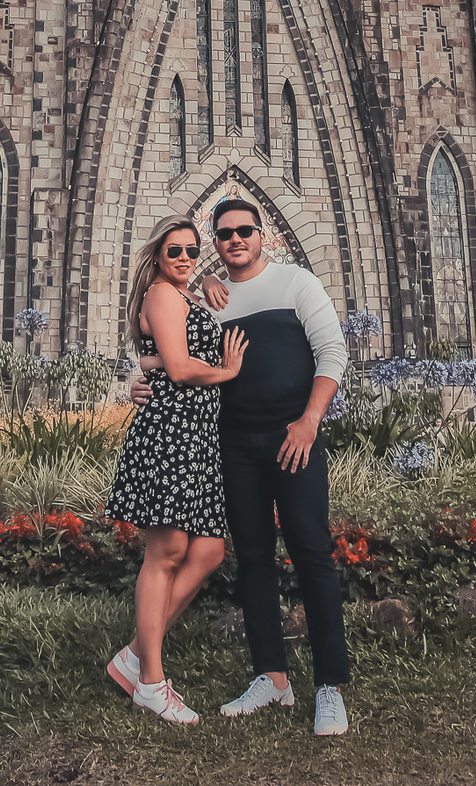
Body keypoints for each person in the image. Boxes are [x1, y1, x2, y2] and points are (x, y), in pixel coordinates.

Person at [130, 197, 352, 738]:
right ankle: (271, 677)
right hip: (233, 444)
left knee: (311, 552)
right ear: (216, 241)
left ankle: (329, 685)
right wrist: (142, 378)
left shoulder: (296, 283)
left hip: (294, 438)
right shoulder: (211, 300)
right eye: (224, 233)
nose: (235, 239)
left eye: (244, 230)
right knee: (252, 557)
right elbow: (175, 349)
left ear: (262, 233)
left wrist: (309, 421)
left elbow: (333, 352)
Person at [104, 214, 247, 725]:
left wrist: (206, 279)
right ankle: (150, 682)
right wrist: (228, 371)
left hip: (197, 437)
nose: (184, 257)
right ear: (157, 256)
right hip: (172, 433)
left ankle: (133, 655)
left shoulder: (182, 293)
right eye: (174, 251)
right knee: (165, 553)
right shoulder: (162, 295)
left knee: (207, 551)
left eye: (191, 250)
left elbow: (162, 358)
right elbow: (182, 368)